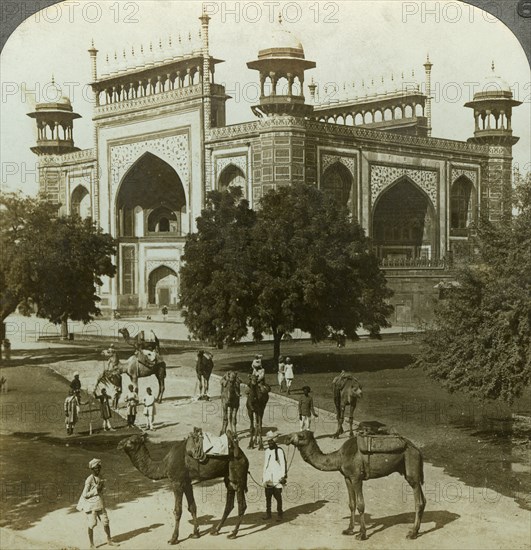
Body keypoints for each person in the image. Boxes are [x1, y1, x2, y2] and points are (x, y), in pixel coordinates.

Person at [77, 458, 118, 548]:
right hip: (91, 506)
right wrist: (96, 490)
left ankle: (109, 540)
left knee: (106, 522)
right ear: (92, 469)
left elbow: (101, 488)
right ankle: (91, 545)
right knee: (92, 524)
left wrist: (102, 489)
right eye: (96, 468)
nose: (98, 469)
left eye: (99, 467)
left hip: (100, 503)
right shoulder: (89, 480)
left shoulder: (101, 477)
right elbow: (85, 494)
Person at [262, 431, 287, 522]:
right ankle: (268, 513)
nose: (270, 443)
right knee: (268, 497)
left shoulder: (280, 451)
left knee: (278, 497)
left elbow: (283, 464)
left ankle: (280, 514)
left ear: (274, 441)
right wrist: (264, 476)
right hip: (268, 477)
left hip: (277, 478)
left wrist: (283, 476)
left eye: (271, 441)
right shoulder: (267, 451)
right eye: (268, 441)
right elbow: (265, 464)